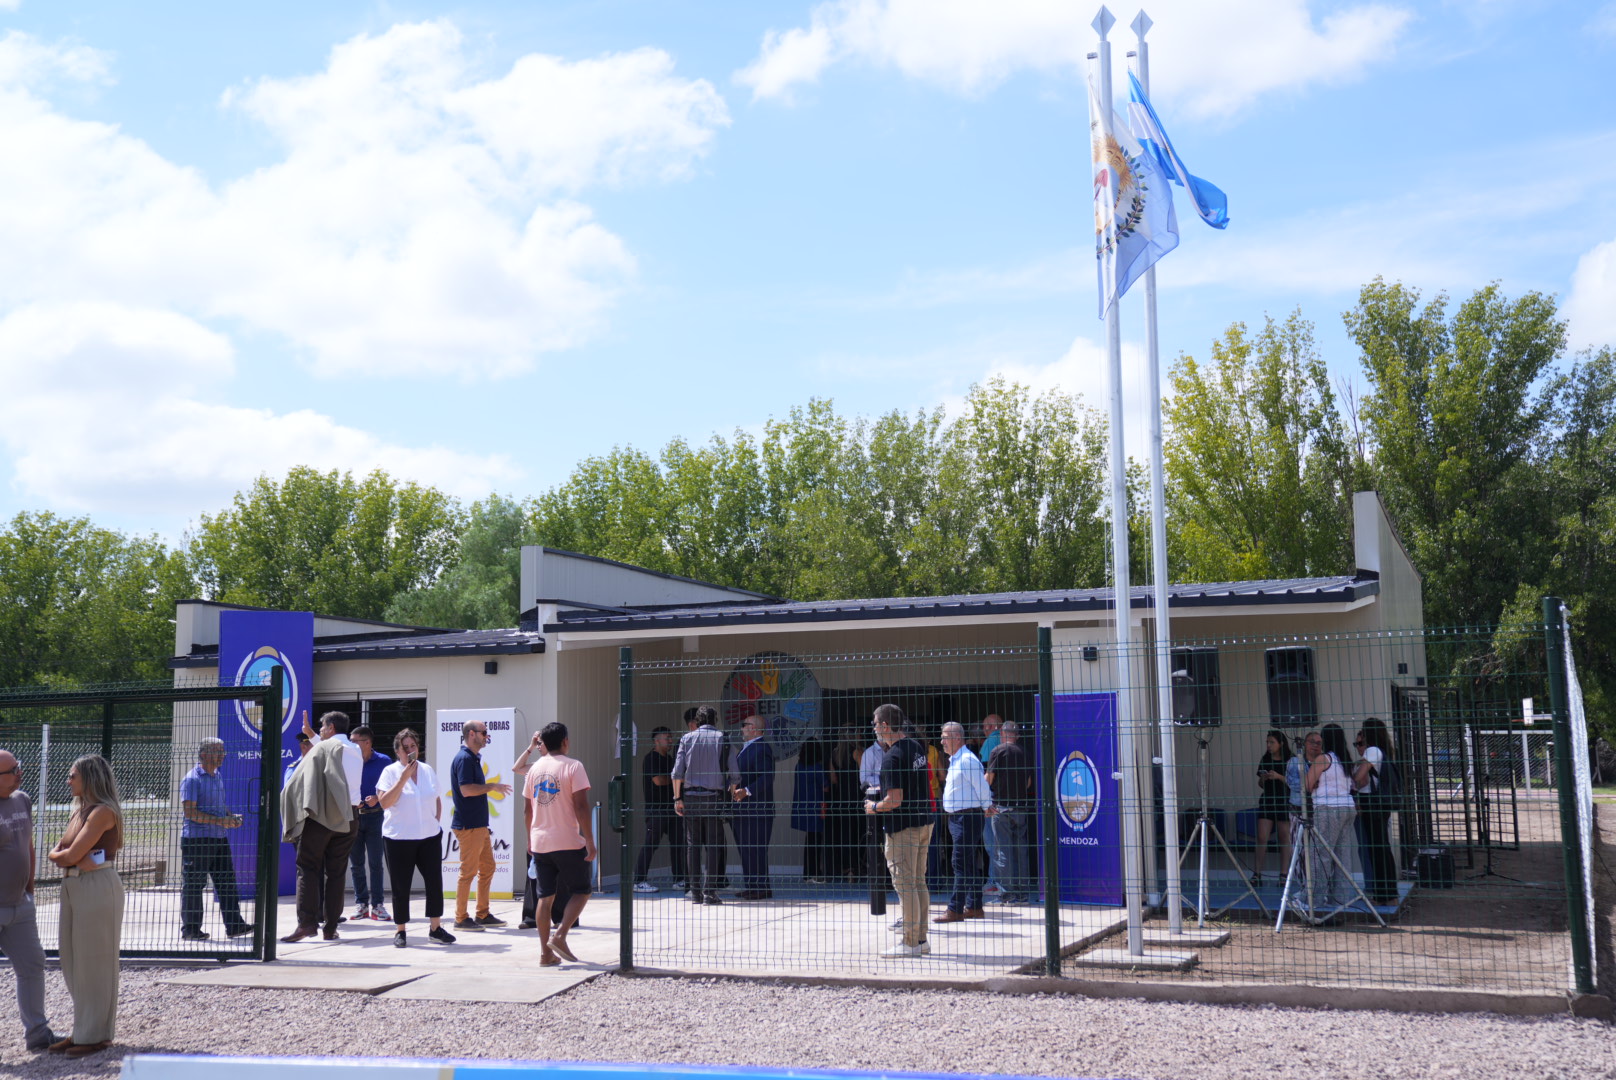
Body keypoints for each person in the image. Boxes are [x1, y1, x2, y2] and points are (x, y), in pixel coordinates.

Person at [45, 754, 124, 1059]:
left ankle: (95, 1035)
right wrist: (64, 857)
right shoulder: (80, 811)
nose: (68, 781)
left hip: (97, 887)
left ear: (89, 778)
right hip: (74, 885)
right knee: (72, 961)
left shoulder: (103, 812)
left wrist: (64, 856)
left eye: (72, 776)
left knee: (95, 963)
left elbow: (68, 853)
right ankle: (83, 1030)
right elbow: (60, 854)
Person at [281, 710, 360, 942]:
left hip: (324, 814)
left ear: (331, 728)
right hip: (351, 816)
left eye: (322, 727)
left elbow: (318, 756)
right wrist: (312, 734)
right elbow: (328, 748)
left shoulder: (326, 748)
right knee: (336, 872)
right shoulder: (355, 750)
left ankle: (307, 924)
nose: (321, 731)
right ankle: (330, 927)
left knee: (307, 866)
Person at [375, 727, 454, 948]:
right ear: (397, 751)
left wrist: (436, 820)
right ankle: (401, 930)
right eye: (405, 747)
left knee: (434, 882)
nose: (410, 751)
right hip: (399, 838)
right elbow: (384, 803)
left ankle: (436, 928)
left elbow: (436, 797)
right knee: (401, 885)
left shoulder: (427, 770)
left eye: (413, 746)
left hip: (429, 836)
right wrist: (403, 779)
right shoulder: (390, 772)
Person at [866, 704, 933, 958]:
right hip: (924, 822)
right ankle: (921, 938)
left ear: (885, 725)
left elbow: (894, 799)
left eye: (875, 724)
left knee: (905, 884)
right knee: (918, 882)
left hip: (904, 828)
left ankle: (910, 941)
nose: (874, 729)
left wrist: (873, 807)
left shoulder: (892, 757)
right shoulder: (916, 746)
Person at [526, 722, 597, 966]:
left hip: (540, 842)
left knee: (545, 898)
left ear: (543, 743)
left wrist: (529, 838)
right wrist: (589, 839)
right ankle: (560, 935)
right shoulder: (573, 766)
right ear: (565, 741)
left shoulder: (534, 769)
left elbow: (527, 809)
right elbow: (581, 805)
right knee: (582, 890)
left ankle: (545, 955)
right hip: (567, 840)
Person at [0, 749, 55, 1051]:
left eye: (18, 767)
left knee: (33, 965)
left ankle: (37, 1034)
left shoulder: (22, 800)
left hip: (20, 905)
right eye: (12, 771)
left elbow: (28, 847)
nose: (19, 774)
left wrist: (30, 890)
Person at [178, 738, 252, 941]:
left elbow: (218, 807)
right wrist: (221, 820)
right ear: (204, 754)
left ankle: (235, 926)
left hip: (219, 837)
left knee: (227, 882)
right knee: (194, 884)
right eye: (217, 751)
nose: (222, 755)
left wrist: (230, 817)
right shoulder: (192, 779)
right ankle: (191, 930)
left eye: (223, 751)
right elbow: (190, 813)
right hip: (197, 840)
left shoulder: (217, 775)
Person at [671, 705, 739, 905]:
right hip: (714, 797)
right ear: (715, 720)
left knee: (692, 845)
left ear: (697, 721)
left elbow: (677, 772)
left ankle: (695, 892)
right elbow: (734, 773)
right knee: (714, 844)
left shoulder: (686, 739)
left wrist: (677, 798)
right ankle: (710, 892)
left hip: (690, 797)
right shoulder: (723, 738)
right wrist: (732, 792)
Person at [450, 718, 513, 931]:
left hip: (478, 824)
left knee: (487, 867)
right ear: (471, 734)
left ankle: (482, 914)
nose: (487, 736)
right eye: (484, 732)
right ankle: (460, 918)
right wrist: (492, 786)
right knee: (468, 871)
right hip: (469, 825)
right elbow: (466, 790)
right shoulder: (465, 758)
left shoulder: (472, 758)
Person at [935, 721, 990, 923]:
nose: (942, 742)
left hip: (966, 817)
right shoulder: (957, 760)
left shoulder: (967, 760)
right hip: (959, 818)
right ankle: (974, 906)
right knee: (967, 862)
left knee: (959, 862)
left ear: (957, 738)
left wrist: (987, 805)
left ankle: (955, 909)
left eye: (944, 738)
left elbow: (981, 786)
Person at [1305, 723, 1358, 923]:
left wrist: (1315, 781)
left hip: (1327, 809)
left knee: (1321, 855)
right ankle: (1341, 899)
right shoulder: (1345, 760)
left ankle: (1315, 900)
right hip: (1347, 807)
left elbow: (1307, 784)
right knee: (1342, 855)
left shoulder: (1323, 759)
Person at [985, 720, 1035, 903]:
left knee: (1002, 851)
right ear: (1017, 736)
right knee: (1021, 851)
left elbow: (989, 779)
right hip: (1020, 807)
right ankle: (1023, 893)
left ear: (1002, 734)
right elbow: (1028, 782)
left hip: (1001, 807)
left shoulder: (997, 751)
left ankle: (1007, 894)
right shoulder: (1025, 752)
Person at [348, 726, 393, 922]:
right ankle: (361, 904)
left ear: (367, 742)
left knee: (376, 863)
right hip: (353, 817)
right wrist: (351, 801)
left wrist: (378, 799)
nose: (350, 745)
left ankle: (378, 905)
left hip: (376, 817)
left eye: (354, 741)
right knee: (356, 864)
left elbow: (393, 789)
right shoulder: (348, 760)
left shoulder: (384, 761)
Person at [633, 726, 685, 893]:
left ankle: (679, 879)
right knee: (651, 844)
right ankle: (639, 881)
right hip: (656, 810)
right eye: (667, 738)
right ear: (656, 741)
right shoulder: (651, 759)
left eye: (671, 737)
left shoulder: (670, 759)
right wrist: (677, 779)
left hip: (672, 809)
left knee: (678, 843)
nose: (670, 741)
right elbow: (658, 781)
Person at [732, 714, 776, 900]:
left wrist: (746, 791)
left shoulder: (761, 748)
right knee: (746, 849)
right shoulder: (747, 748)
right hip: (743, 809)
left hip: (756, 809)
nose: (741, 728)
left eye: (744, 724)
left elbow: (767, 777)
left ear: (753, 728)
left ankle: (761, 887)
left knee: (755, 848)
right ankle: (751, 885)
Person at [1354, 718, 1398, 904]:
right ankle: (1387, 894)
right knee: (1380, 847)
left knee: (1377, 848)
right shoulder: (1383, 750)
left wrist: (1351, 780)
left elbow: (1360, 777)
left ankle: (1385, 894)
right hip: (1378, 803)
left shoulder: (1372, 751)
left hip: (1372, 803)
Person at [1252, 730, 1293, 888]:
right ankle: (1257, 873)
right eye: (1267, 742)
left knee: (1284, 837)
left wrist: (1278, 777)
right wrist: (1264, 778)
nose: (1268, 745)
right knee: (1262, 837)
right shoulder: (1265, 759)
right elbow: (1260, 784)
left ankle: (1283, 874)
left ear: (1281, 744)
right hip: (1268, 801)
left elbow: (1295, 782)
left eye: (1272, 742)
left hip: (1284, 801)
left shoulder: (1290, 760)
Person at [791, 738, 831, 884]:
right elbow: (825, 787)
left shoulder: (799, 766)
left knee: (809, 840)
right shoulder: (817, 767)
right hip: (816, 807)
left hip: (802, 806)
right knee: (815, 841)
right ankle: (815, 873)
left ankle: (807, 873)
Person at [977, 713, 1004, 895]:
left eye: (986, 726)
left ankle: (994, 881)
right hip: (1007, 799)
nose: (983, 730)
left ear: (993, 727)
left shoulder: (990, 742)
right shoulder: (1007, 742)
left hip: (991, 799)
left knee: (991, 843)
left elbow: (986, 773)